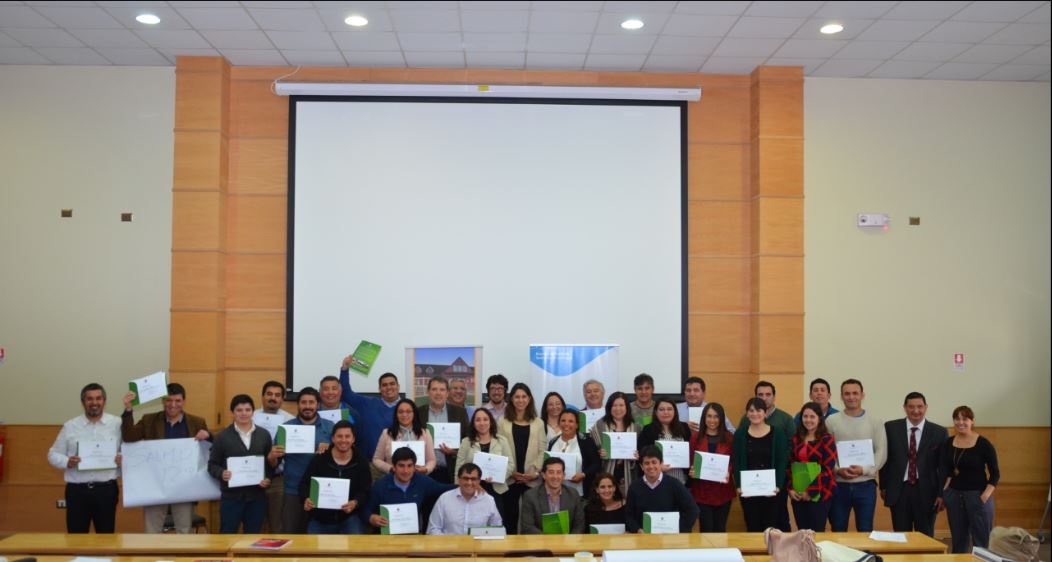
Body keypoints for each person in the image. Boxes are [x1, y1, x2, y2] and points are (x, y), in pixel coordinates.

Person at [121, 382, 211, 534]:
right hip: (155, 485)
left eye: (177, 401)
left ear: (184, 401)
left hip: (185, 487)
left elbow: (207, 451)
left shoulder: (197, 422)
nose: (173, 405)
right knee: (152, 532)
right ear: (163, 401)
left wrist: (208, 436)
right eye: (169, 400)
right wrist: (128, 410)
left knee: (184, 532)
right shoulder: (149, 420)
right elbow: (129, 437)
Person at [47, 383, 122, 534]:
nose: (94, 402)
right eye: (90, 399)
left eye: (98, 398)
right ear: (83, 402)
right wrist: (67, 462)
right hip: (77, 492)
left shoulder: (117, 424)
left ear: (104, 401)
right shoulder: (71, 426)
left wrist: (121, 458)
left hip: (106, 491)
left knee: (106, 537)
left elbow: (128, 451)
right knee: (76, 538)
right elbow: (52, 454)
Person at [880, 391, 947, 537]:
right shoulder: (890, 428)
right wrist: (883, 486)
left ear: (926, 407)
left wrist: (941, 494)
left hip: (927, 492)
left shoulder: (939, 432)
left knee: (926, 537)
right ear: (904, 408)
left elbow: (943, 467)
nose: (916, 411)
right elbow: (885, 459)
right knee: (901, 536)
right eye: (911, 407)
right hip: (899, 491)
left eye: (920, 406)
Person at [207, 394, 277, 533]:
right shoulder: (222, 437)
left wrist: (267, 478)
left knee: (253, 537)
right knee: (227, 536)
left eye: (247, 410)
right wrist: (221, 473)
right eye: (239, 410)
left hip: (257, 497)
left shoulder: (264, 435)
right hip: (231, 498)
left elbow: (269, 464)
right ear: (232, 413)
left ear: (253, 412)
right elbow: (212, 465)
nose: (244, 413)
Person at [825, 378, 887, 532]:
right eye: (847, 394)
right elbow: (826, 451)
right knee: (838, 530)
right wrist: (837, 470)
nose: (851, 397)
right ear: (841, 396)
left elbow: (881, 452)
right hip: (839, 485)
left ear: (862, 395)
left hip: (866, 485)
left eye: (855, 393)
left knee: (865, 530)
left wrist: (863, 470)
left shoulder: (875, 421)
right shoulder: (831, 421)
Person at [275, 386, 334, 533]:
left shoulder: (330, 427)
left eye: (311, 402)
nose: (307, 406)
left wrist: (331, 449)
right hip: (293, 490)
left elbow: (342, 456)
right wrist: (272, 456)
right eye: (303, 402)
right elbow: (275, 463)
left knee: (317, 537)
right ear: (298, 405)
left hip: (322, 491)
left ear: (318, 405)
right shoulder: (285, 428)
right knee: (290, 534)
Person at [942, 405, 1000, 554]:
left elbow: (995, 474)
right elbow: (948, 470)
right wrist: (946, 491)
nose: (960, 422)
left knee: (981, 542)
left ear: (972, 421)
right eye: (957, 419)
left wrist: (985, 496)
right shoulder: (949, 442)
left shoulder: (983, 444)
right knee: (958, 541)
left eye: (965, 419)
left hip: (977, 496)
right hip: (954, 497)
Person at [300, 420, 371, 534]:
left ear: (353, 439)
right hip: (320, 518)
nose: (343, 440)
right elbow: (304, 484)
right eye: (339, 436)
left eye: (347, 436)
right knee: (311, 545)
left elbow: (365, 490)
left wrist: (355, 502)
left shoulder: (361, 462)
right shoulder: (319, 459)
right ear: (333, 438)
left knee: (357, 544)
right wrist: (306, 498)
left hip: (348, 518)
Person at [366, 447, 456, 533]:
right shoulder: (380, 485)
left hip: (413, 537)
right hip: (386, 537)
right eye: (401, 466)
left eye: (409, 466)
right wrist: (371, 518)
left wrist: (462, 485)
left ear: (414, 467)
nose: (406, 471)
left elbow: (443, 488)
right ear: (393, 467)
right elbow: (365, 510)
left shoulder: (422, 482)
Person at [496, 382, 546, 535]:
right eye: (517, 397)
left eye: (524, 396)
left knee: (532, 519)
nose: (520, 400)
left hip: (532, 479)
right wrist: (510, 472)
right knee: (510, 517)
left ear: (529, 399)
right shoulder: (503, 421)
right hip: (510, 478)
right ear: (511, 399)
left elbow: (543, 450)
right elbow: (499, 449)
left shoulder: (538, 422)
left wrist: (535, 473)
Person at [733, 397, 788, 532]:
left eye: (759, 410)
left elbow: (782, 462)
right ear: (747, 414)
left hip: (771, 492)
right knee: (752, 527)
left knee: (771, 529)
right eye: (751, 411)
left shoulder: (778, 433)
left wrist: (778, 486)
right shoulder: (740, 434)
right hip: (748, 492)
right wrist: (739, 486)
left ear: (765, 413)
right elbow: (736, 462)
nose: (755, 414)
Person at [338, 356, 401, 461]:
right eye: (384, 385)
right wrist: (345, 369)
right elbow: (346, 394)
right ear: (379, 389)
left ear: (398, 386)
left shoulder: (407, 408)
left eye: (392, 384)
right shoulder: (367, 403)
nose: (389, 387)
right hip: (369, 463)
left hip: (397, 464)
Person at [625, 445, 699, 533]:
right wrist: (637, 529)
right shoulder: (634, 487)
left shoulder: (674, 484)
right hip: (643, 537)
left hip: (670, 538)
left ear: (661, 463)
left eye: (654, 462)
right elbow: (628, 516)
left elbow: (692, 510)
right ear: (641, 466)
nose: (651, 466)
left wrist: (679, 529)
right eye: (647, 463)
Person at [456, 407, 513, 519]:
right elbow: (459, 467)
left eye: (485, 419)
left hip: (496, 489)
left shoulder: (502, 441)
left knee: (495, 522)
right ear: (473, 424)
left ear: (491, 422)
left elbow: (510, 465)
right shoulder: (466, 442)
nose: (482, 423)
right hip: (471, 489)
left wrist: (497, 477)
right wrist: (460, 488)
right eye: (478, 420)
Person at [788, 402, 837, 531]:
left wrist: (810, 491)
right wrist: (791, 489)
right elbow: (790, 466)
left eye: (812, 416)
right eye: (805, 416)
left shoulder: (827, 439)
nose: (808, 420)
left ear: (819, 418)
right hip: (798, 494)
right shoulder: (796, 439)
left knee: (816, 533)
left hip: (820, 493)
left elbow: (828, 469)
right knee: (802, 533)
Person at [688, 402, 735, 532]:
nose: (712, 420)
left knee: (720, 529)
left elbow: (734, 460)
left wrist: (729, 471)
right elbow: (691, 460)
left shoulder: (729, 438)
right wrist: (692, 470)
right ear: (704, 418)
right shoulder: (695, 438)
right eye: (709, 416)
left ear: (721, 418)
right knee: (706, 529)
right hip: (702, 491)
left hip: (723, 491)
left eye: (716, 416)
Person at [256, 380, 294, 532]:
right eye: (269, 394)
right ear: (262, 396)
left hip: (278, 479)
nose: (273, 398)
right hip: (254, 478)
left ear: (282, 399)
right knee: (256, 525)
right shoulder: (250, 417)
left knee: (277, 525)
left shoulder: (290, 420)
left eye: (277, 395)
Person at [417, 376, 469, 484]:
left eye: (442, 390)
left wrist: (454, 452)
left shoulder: (460, 413)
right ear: (428, 392)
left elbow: (468, 442)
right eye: (434, 389)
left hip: (450, 472)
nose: (438, 393)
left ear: (447, 393)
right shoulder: (418, 413)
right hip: (424, 472)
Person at [426, 462, 503, 535]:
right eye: (466, 478)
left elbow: (497, 530)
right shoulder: (444, 499)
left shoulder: (488, 500)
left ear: (479, 481)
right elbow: (433, 529)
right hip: (450, 544)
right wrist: (449, 541)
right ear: (458, 479)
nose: (469, 483)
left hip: (478, 544)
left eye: (473, 479)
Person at [589, 391, 640, 496]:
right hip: (606, 472)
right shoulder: (600, 425)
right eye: (614, 405)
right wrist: (599, 453)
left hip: (629, 475)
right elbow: (590, 453)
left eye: (621, 405)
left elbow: (642, 452)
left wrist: (637, 456)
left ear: (627, 407)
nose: (618, 409)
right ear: (609, 407)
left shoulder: (636, 427)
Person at [519, 456, 586, 534]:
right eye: (551, 472)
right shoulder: (530, 495)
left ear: (563, 476)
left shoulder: (573, 494)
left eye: (559, 472)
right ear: (544, 475)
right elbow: (527, 527)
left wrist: (569, 540)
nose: (555, 476)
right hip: (540, 540)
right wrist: (549, 539)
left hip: (567, 540)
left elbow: (579, 525)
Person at [374, 398, 437, 475]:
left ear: (414, 413)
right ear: (396, 414)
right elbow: (376, 459)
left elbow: (431, 460)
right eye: (401, 412)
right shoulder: (386, 433)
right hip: (393, 477)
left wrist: (426, 469)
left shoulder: (425, 433)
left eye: (408, 411)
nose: (404, 415)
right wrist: (390, 468)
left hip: (418, 477)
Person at [636, 397, 691, 484]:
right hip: (656, 479)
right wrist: (657, 467)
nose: (666, 412)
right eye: (661, 409)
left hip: (681, 480)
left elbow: (690, 452)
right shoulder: (648, 430)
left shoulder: (684, 427)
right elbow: (642, 454)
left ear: (675, 411)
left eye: (669, 409)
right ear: (656, 412)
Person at [546, 409, 600, 496]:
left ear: (577, 425)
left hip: (579, 493)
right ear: (559, 423)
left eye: (571, 421)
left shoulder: (586, 441)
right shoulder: (553, 442)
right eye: (563, 420)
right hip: (555, 493)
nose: (566, 424)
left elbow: (596, 464)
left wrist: (583, 474)